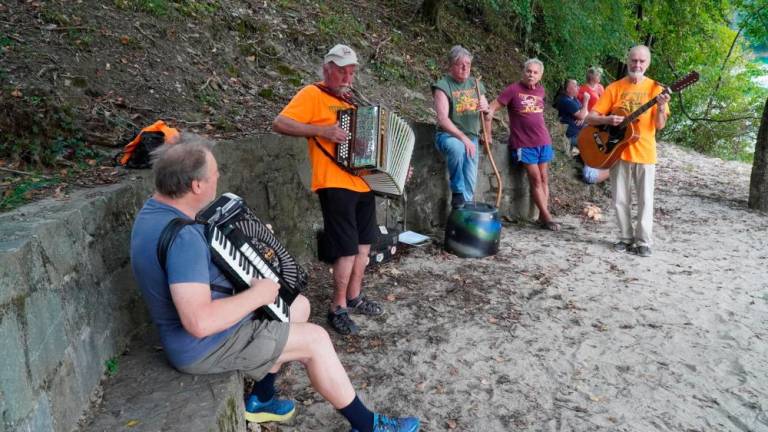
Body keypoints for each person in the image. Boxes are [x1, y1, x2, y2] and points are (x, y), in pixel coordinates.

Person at [129, 135, 420, 432]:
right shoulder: (184, 239)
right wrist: (257, 295)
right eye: (214, 175)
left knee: (298, 306)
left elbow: (192, 266)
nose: (218, 179)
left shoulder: (154, 213)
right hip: (202, 346)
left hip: (201, 331)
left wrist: (247, 246)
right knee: (316, 340)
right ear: (197, 186)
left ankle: (262, 397)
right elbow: (199, 322)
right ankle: (367, 424)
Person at [272, 44, 384, 336]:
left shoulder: (350, 101)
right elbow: (280, 122)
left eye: (351, 72)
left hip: (362, 181)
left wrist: (387, 167)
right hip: (333, 183)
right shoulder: (312, 94)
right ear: (327, 69)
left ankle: (354, 296)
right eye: (342, 72)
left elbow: (362, 147)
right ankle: (337, 307)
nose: (348, 77)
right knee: (346, 250)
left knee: (363, 245)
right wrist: (321, 130)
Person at [585, 45, 670, 257]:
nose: (637, 65)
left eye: (642, 61)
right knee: (620, 198)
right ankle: (625, 237)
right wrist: (607, 119)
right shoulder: (615, 87)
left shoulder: (656, 89)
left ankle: (643, 242)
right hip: (617, 151)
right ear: (628, 60)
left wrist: (660, 107)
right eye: (634, 60)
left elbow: (659, 125)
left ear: (648, 63)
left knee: (645, 199)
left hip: (645, 152)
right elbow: (589, 117)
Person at [486, 58, 560, 231]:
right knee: (534, 178)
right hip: (524, 142)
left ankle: (543, 215)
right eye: (528, 71)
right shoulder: (513, 90)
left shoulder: (541, 91)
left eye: (535, 72)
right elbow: (492, 107)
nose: (531, 75)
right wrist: (487, 129)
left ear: (540, 75)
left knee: (544, 178)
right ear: (523, 71)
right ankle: (547, 217)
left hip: (543, 140)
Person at [432, 45, 489, 208]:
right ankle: (457, 192)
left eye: (468, 64)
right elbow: (443, 119)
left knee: (470, 186)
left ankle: (462, 219)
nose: (465, 68)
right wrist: (463, 138)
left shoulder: (476, 84)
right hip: (448, 136)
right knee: (457, 148)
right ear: (451, 65)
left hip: (472, 138)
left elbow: (488, 113)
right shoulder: (443, 86)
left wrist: (486, 110)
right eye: (460, 64)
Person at [555, 78, 590, 155]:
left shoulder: (573, 99)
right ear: (568, 89)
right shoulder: (566, 101)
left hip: (580, 132)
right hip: (572, 136)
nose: (578, 87)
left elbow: (585, 113)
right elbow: (582, 114)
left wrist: (582, 116)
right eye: (575, 85)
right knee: (591, 144)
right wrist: (586, 101)